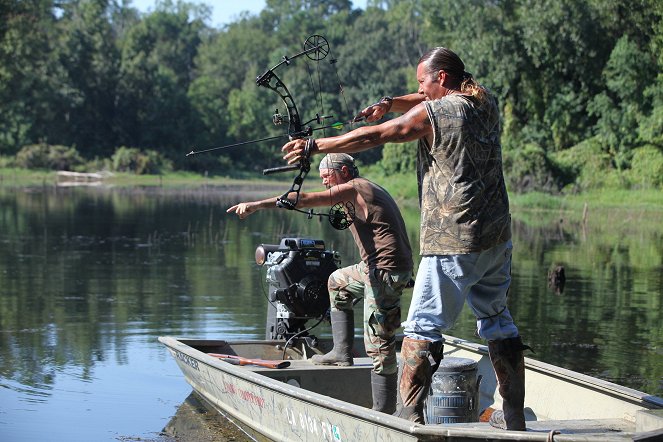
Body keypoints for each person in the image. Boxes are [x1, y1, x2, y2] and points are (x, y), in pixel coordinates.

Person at [281, 47, 529, 430]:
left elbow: (383, 134)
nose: (420, 89)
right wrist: (391, 102)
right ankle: (513, 416)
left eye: (422, 82)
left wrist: (318, 146)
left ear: (441, 78)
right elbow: (420, 103)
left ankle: (407, 417)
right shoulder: (484, 101)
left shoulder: (440, 111)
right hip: (496, 237)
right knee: (498, 321)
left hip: (453, 239)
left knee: (420, 329)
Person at [227, 153, 414, 415]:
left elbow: (304, 198)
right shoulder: (357, 189)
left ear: (345, 172)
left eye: (328, 177)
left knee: (379, 342)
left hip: (384, 271)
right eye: (323, 178)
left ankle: (383, 411)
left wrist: (259, 204)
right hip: (375, 268)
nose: (325, 183)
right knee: (337, 282)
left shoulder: (356, 187)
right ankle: (341, 352)